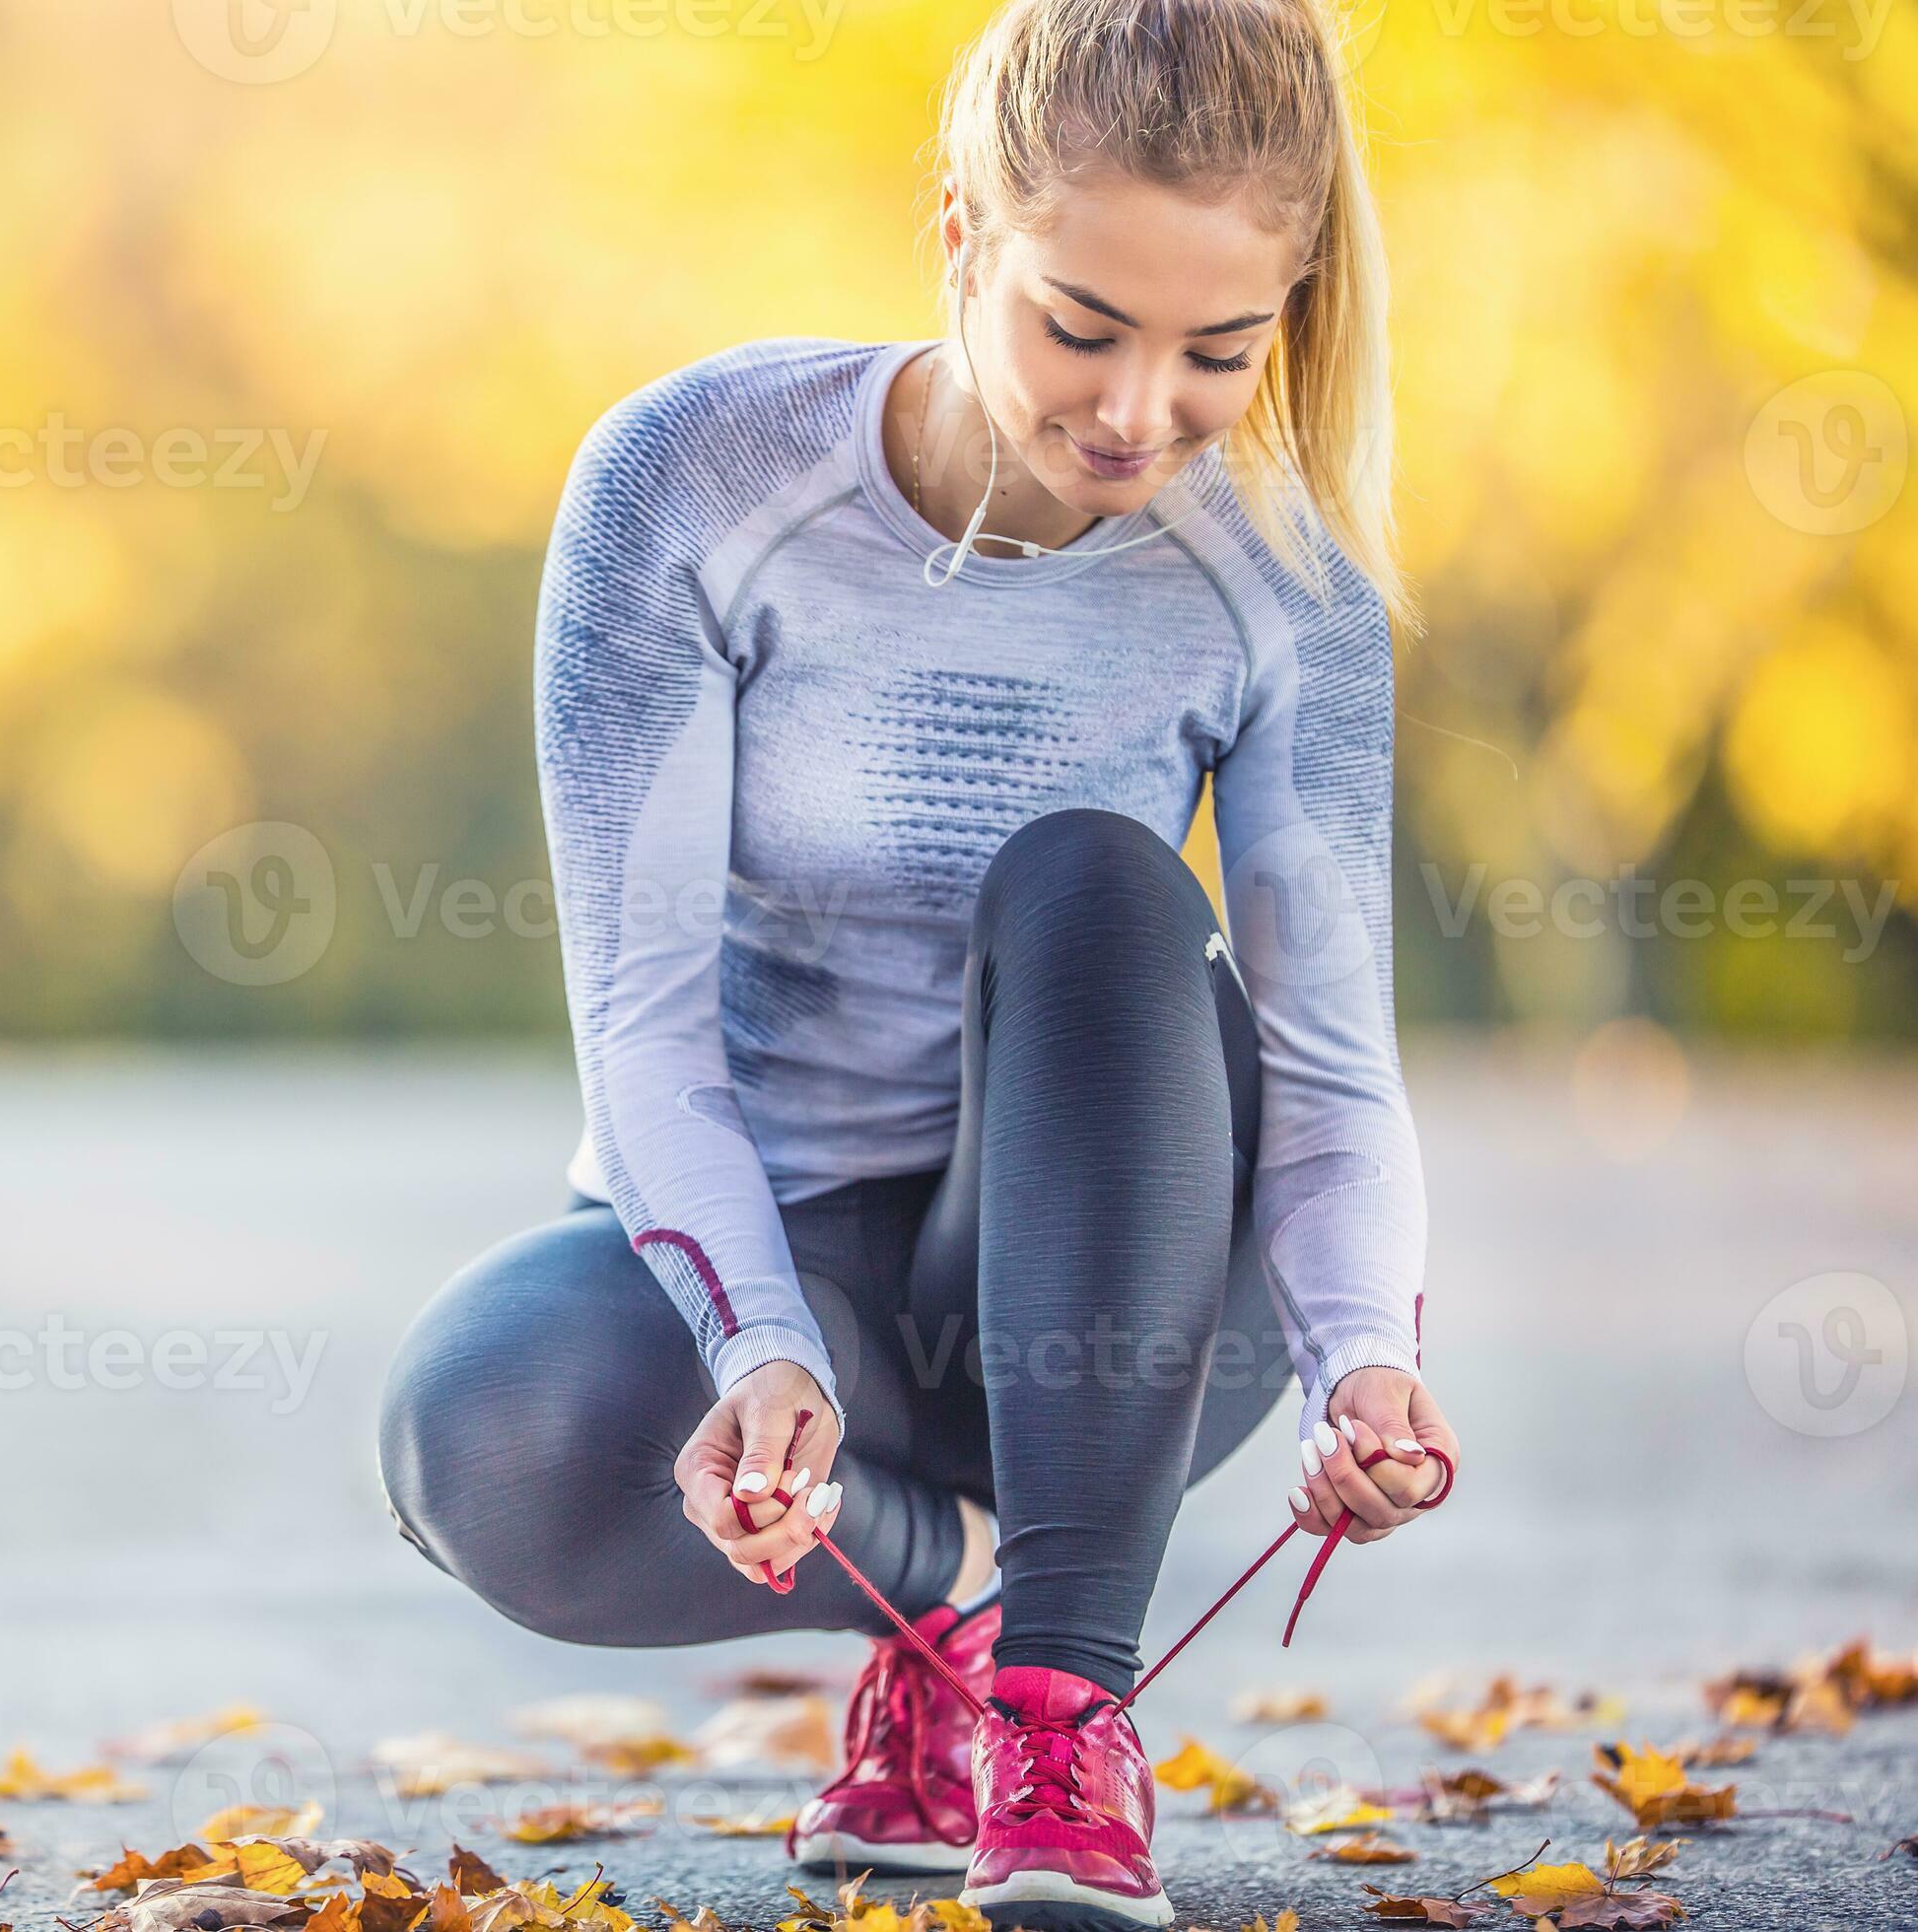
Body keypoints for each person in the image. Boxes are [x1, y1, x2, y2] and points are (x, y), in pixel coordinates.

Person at [373, 1, 1462, 1923]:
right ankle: (944, 1573)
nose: (1137, 411)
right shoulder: (691, 480)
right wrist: (759, 1345)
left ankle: (1056, 1695)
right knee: (472, 1424)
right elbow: (641, 1028)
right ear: (958, 233)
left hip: (1118, 1300)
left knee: (1098, 890)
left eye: (1218, 349)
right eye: (1080, 325)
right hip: (802, 1275)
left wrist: (1360, 1354)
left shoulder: (1279, 571)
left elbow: (1325, 1067)